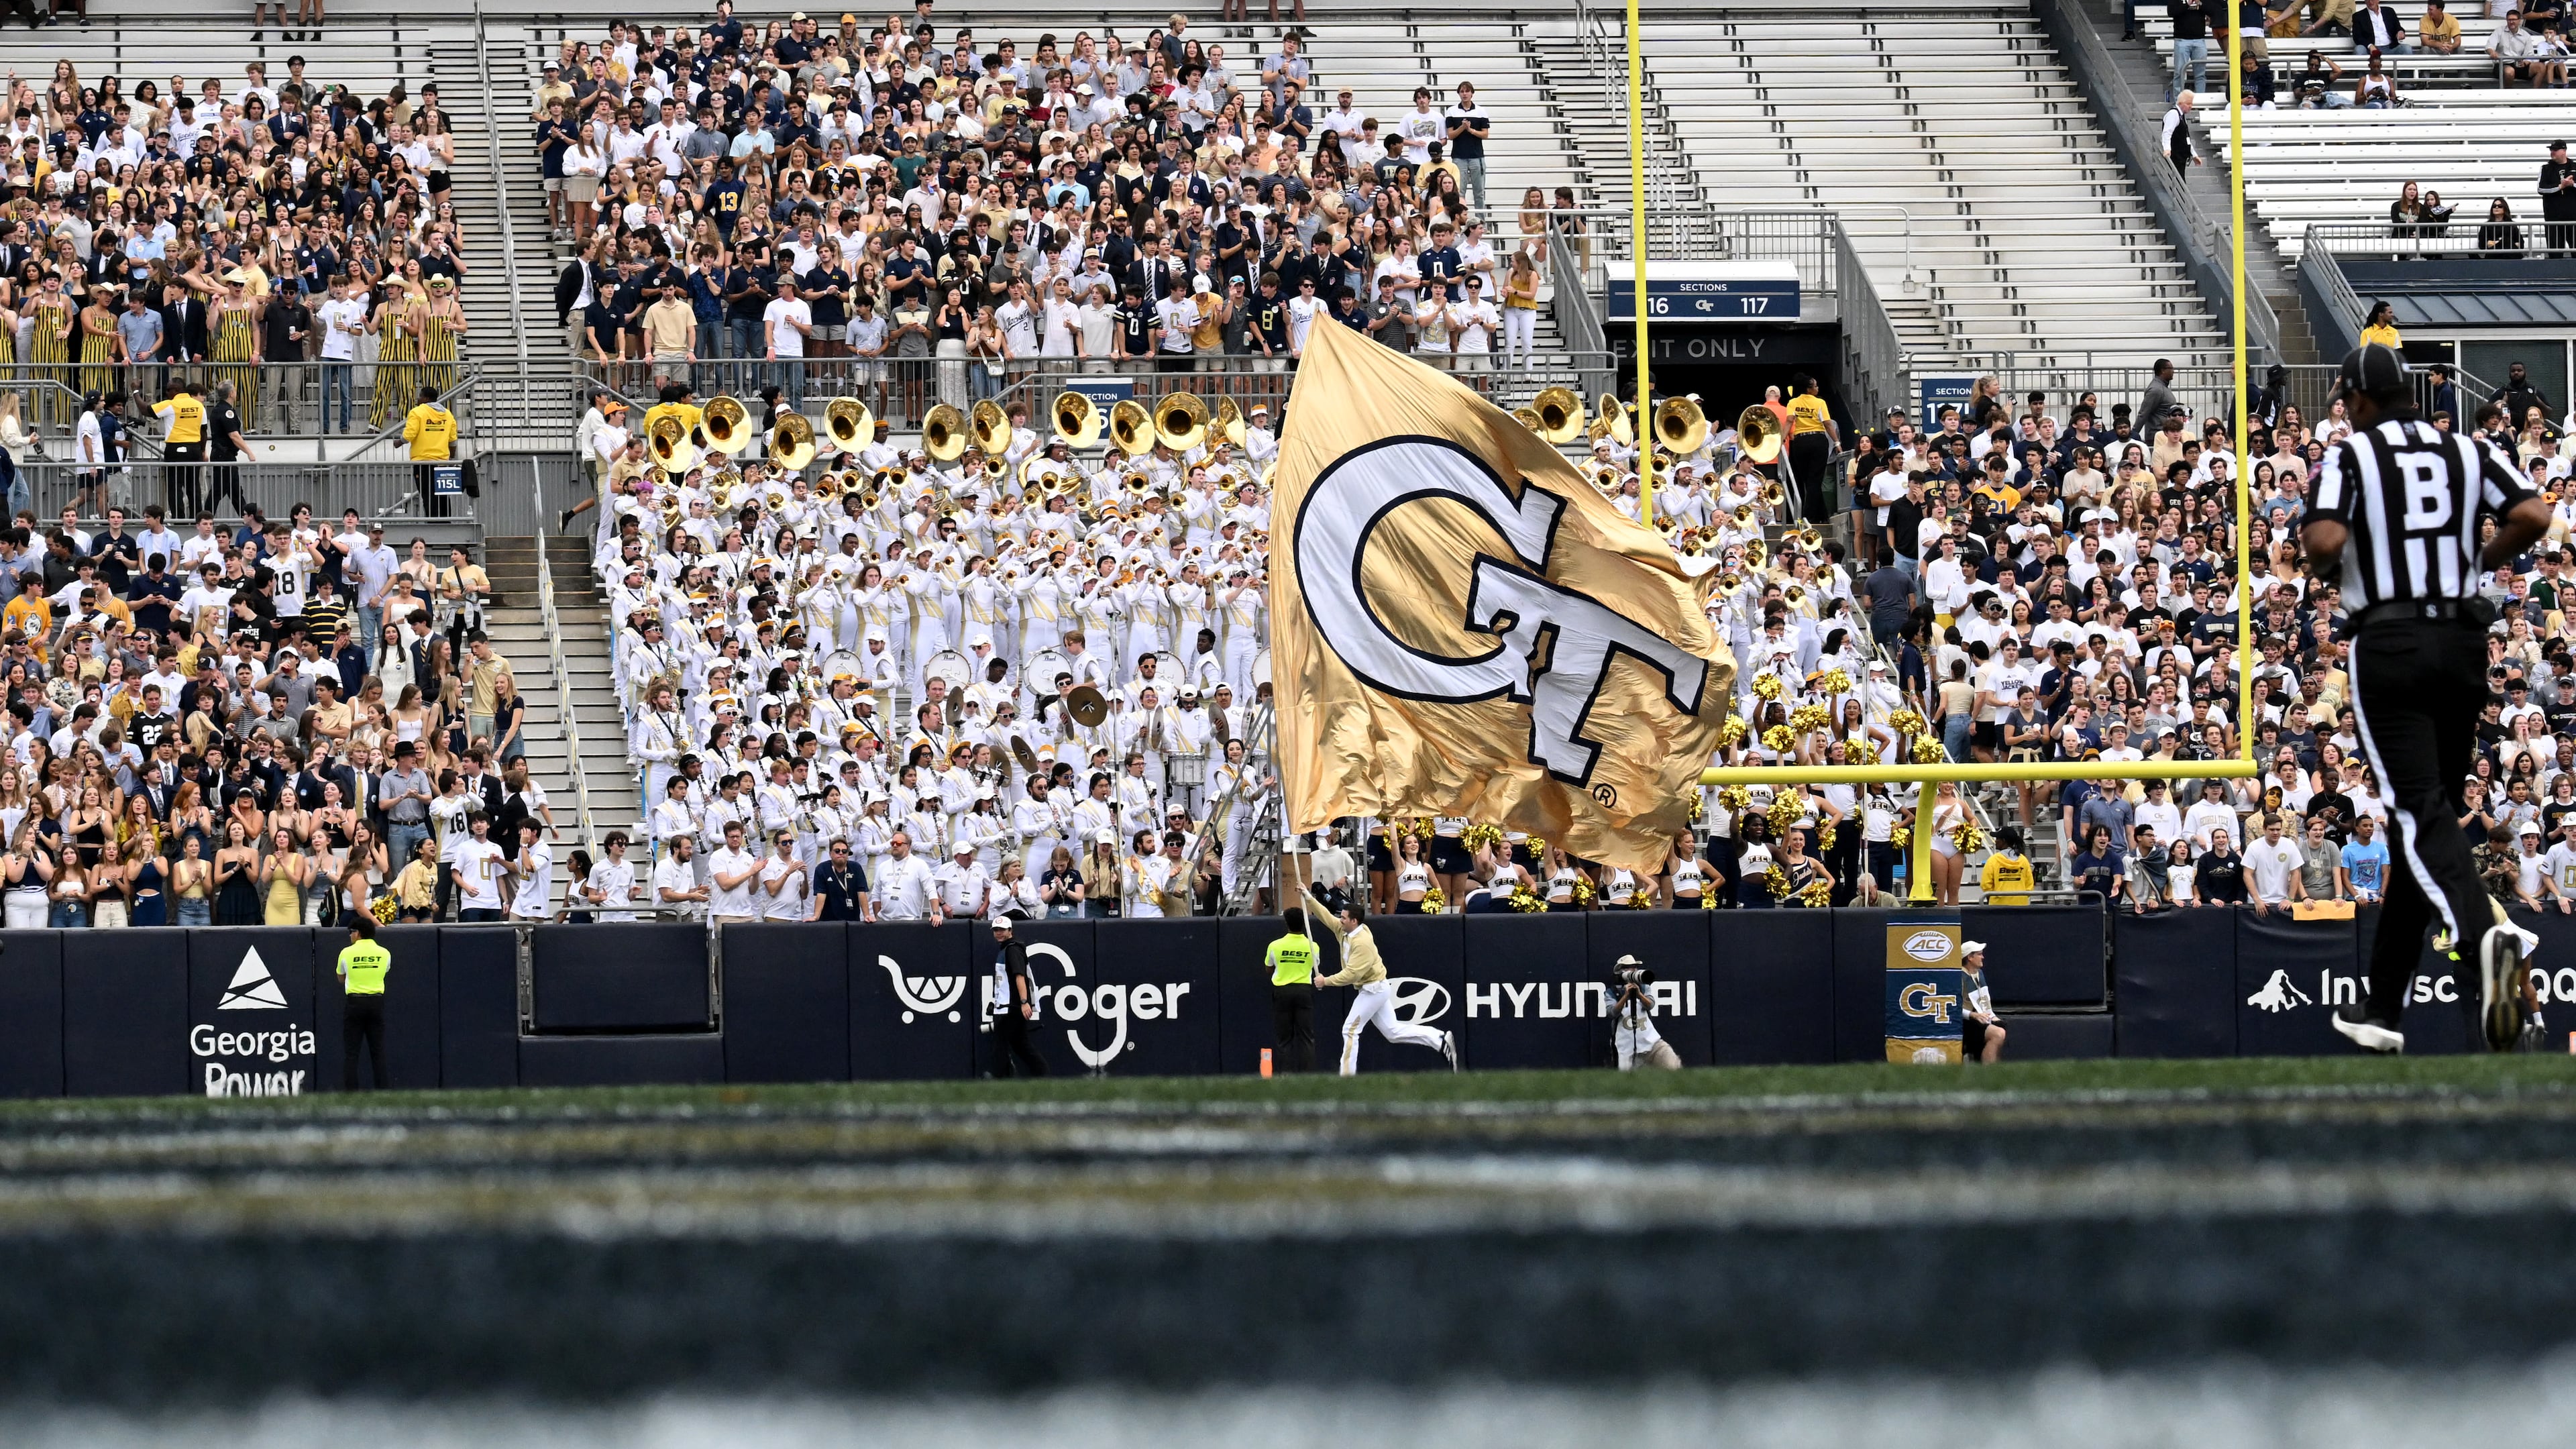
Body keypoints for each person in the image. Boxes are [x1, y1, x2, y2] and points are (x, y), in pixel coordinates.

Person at [2304, 342, 2552, 1053]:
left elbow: (2322, 536)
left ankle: (2488, 940)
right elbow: (2534, 516)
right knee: (2428, 821)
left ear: (2354, 400)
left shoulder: (2351, 457)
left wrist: (2328, 560)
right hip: (2465, 645)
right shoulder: (2467, 451)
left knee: (2415, 816)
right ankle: (2383, 1008)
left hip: (2391, 644)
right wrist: (2474, 560)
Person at [1305, 884, 1456, 1074]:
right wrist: (1309, 898)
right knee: (1392, 1032)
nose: (1340, 920)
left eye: (1343, 918)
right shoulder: (1344, 930)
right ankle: (1439, 1039)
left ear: (1354, 921)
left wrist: (1325, 981)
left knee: (1350, 1030)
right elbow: (1327, 918)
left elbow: (1352, 974)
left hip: (1373, 989)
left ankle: (1346, 1077)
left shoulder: (1362, 943)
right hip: (1374, 988)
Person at [984, 912, 1046, 1079]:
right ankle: (1042, 1073)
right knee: (1020, 1044)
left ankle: (997, 1076)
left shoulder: (1012, 950)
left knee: (1000, 1043)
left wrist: (1024, 1002)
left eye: (1002, 930)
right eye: (996, 930)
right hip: (1008, 1006)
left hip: (1011, 1007)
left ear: (1010, 930)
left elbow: (1020, 976)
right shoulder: (1008, 949)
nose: (998, 933)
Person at [338, 916, 392, 1091]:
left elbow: (340, 977)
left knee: (351, 1053)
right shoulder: (384, 953)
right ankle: (383, 1091)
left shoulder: (346, 953)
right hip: (376, 1002)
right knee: (378, 1051)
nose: (350, 936)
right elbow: (385, 972)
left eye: (352, 932)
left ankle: (351, 1093)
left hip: (355, 1003)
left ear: (359, 933)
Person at [1265, 905, 1320, 1073]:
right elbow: (1315, 966)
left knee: (1284, 1038)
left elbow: (1269, 967)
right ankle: (1307, 1076)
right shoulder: (1313, 946)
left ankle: (1286, 1076)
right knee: (1306, 1037)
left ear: (1287, 923)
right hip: (1304, 991)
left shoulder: (1275, 945)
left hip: (1282, 992)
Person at [1608, 955, 1681, 1071]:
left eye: (1634, 967)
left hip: (1651, 1042)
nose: (1632, 970)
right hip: (1625, 1047)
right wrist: (1626, 996)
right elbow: (1612, 1012)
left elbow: (1650, 1005)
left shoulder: (1644, 987)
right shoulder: (1612, 992)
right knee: (1626, 1083)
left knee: (1673, 1065)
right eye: (1628, 967)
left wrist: (1638, 994)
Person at [1960, 939, 2006, 1063]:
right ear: (1970, 957)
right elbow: (1953, 1006)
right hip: (1965, 1021)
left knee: (2001, 1026)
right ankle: (1987, 1071)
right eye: (1979, 954)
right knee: (1997, 1034)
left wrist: (1993, 1016)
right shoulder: (1959, 977)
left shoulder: (1979, 974)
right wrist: (1973, 1015)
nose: (1983, 957)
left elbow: (1984, 1001)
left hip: (1980, 1018)